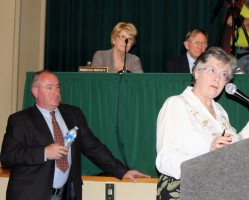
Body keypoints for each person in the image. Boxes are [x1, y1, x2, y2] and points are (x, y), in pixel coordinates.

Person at [0, 70, 150, 200]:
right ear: (35, 91)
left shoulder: (73, 114)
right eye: (49, 88)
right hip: (30, 195)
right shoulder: (20, 120)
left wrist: (123, 171)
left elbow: (94, 147)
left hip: (67, 194)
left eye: (57, 87)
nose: (56, 92)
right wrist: (44, 152)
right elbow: (8, 157)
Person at [155, 47, 249, 199]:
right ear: (196, 72)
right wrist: (208, 154)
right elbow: (165, 159)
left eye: (224, 74)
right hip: (185, 191)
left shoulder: (220, 111)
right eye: (211, 70)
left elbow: (239, 145)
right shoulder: (176, 104)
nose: (217, 78)